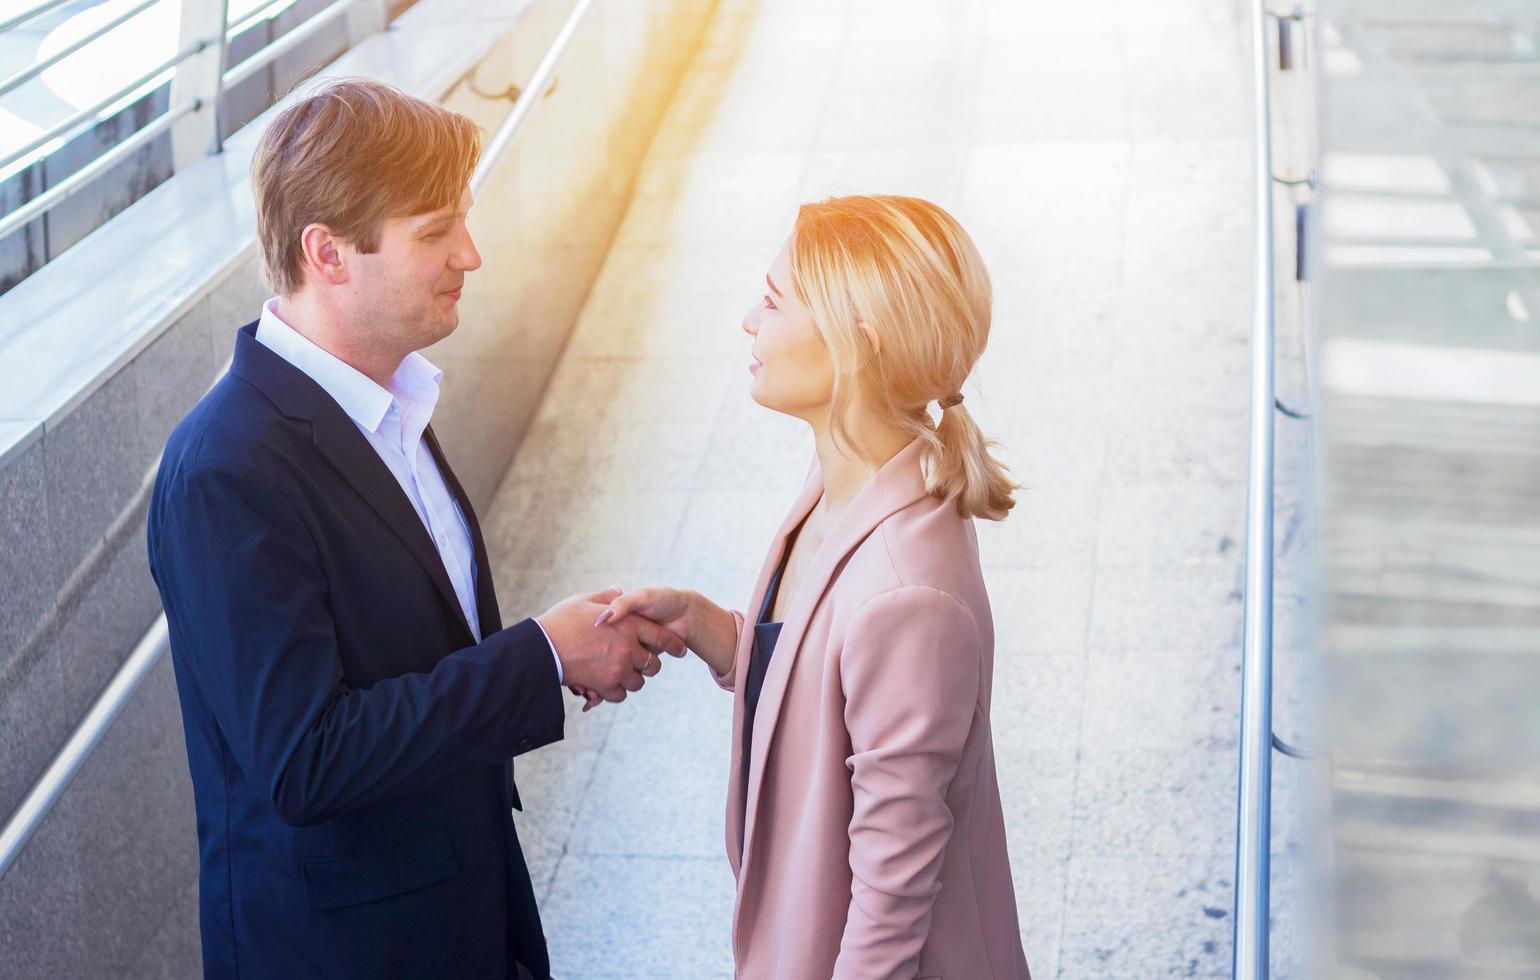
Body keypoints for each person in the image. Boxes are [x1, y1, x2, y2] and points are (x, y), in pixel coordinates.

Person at [146, 78, 680, 980]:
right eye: (434, 232)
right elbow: (305, 760)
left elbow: (410, 660)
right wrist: (540, 659)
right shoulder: (226, 469)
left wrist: (554, 648)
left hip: (462, 913)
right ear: (329, 254)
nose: (469, 255)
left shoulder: (389, 403)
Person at [594, 195, 1033, 978]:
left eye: (773, 300)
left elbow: (894, 887)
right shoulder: (847, 480)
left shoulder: (908, 593)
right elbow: (826, 670)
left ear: (854, 346)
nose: (747, 321)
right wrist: (711, 627)